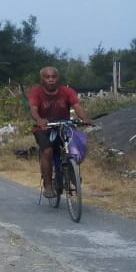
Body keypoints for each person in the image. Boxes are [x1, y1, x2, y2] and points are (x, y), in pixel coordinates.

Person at [28, 66, 92, 198]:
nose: (51, 79)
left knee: (73, 148)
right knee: (47, 151)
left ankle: (71, 172)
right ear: (42, 79)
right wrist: (39, 120)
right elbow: (33, 109)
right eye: (47, 77)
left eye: (54, 76)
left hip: (64, 125)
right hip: (44, 128)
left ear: (58, 78)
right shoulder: (36, 93)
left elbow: (77, 107)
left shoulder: (67, 91)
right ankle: (48, 185)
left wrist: (84, 118)